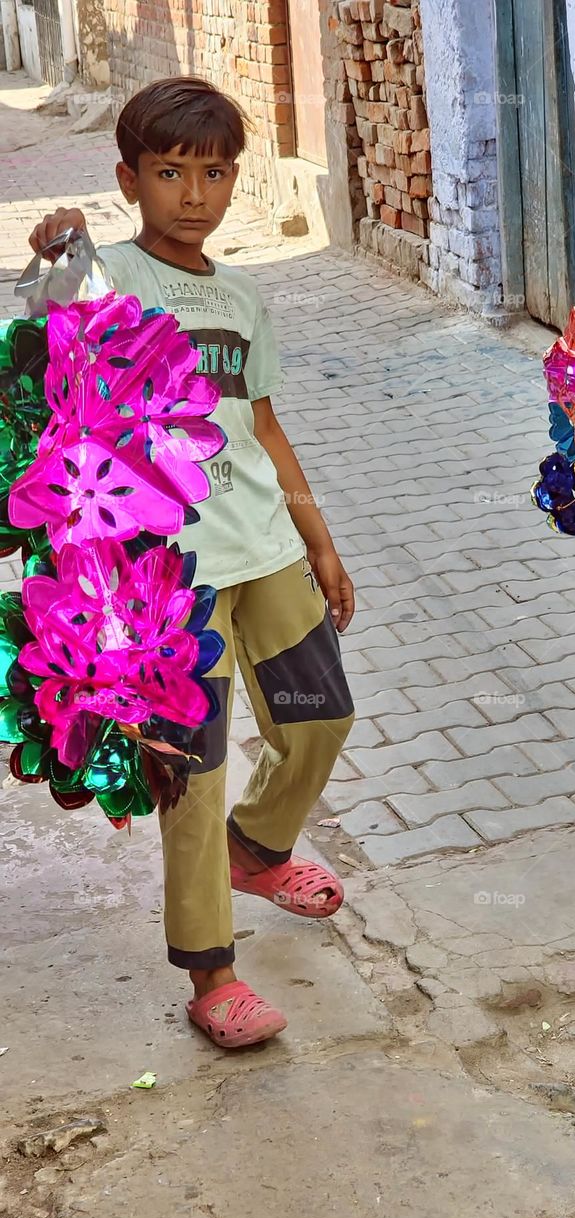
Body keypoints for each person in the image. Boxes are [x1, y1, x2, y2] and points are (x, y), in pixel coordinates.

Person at [29, 76, 356, 1042]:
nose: (194, 195)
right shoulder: (114, 280)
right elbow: (54, 335)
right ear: (131, 179)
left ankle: (255, 848)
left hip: (263, 547)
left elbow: (262, 426)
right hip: (165, 577)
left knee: (322, 715)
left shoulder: (247, 298)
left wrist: (320, 540)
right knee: (193, 766)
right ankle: (212, 975)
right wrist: (58, 253)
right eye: (171, 172)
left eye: (214, 173)